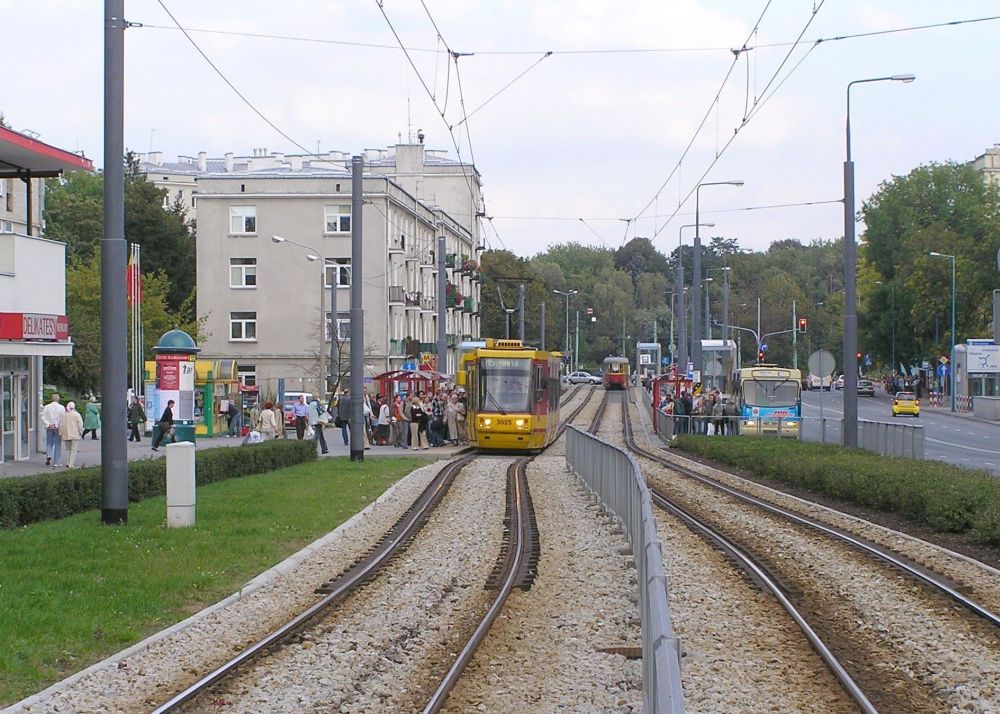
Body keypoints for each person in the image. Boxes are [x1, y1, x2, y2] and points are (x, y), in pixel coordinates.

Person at [41, 392, 66, 466]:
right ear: (58, 399)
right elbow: (63, 417)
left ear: (51, 399)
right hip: (57, 427)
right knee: (57, 443)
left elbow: (42, 416)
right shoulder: (61, 407)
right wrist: (56, 424)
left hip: (49, 427)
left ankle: (49, 454)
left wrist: (48, 424)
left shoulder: (46, 407)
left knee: (49, 442)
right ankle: (57, 462)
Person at [60, 401, 85, 468]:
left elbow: (61, 424)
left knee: (68, 449)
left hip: (66, 434)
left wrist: (61, 433)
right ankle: (70, 464)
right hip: (74, 434)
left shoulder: (64, 415)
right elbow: (80, 424)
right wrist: (80, 432)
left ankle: (68, 462)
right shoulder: (76, 414)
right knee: (73, 450)